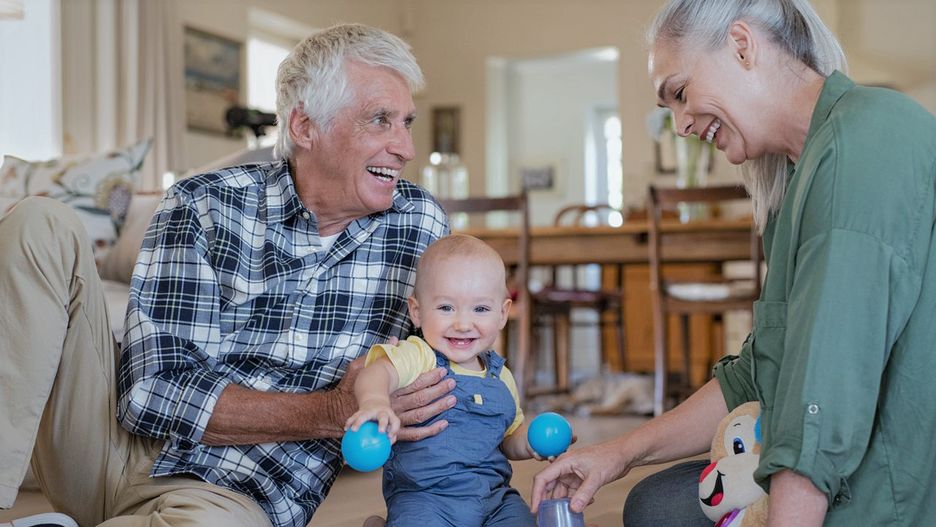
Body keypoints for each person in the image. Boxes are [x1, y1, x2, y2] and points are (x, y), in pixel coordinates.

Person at [0, 24, 456, 527]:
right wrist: (329, 410)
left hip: (232, 496)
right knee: (39, 223)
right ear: (305, 128)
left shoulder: (417, 224)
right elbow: (148, 393)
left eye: (406, 122)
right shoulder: (204, 203)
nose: (405, 148)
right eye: (381, 121)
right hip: (106, 449)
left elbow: (446, 374)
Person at [531, 1, 936, 526]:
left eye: (679, 93)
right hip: (855, 462)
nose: (679, 124)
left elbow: (822, 399)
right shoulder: (804, 173)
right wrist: (618, 453)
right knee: (655, 503)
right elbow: (758, 373)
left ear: (742, 46)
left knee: (665, 512)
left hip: (892, 487)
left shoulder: (864, 140)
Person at [345, 234, 537, 527]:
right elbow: (377, 372)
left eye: (480, 309)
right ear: (417, 311)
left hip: (494, 499)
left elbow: (509, 438)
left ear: (502, 314)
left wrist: (531, 443)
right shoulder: (419, 355)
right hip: (425, 500)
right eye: (446, 308)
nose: (462, 324)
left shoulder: (503, 378)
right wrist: (375, 401)